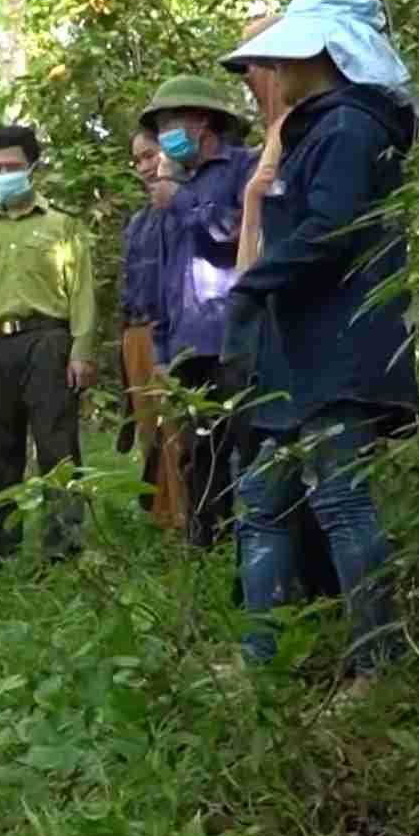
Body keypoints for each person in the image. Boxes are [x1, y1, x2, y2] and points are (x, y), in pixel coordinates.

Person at [220, 0, 419, 681]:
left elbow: (333, 229)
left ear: (326, 53)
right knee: (262, 506)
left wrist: (254, 283)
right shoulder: (321, 128)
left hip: (339, 353)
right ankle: (261, 660)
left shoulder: (350, 129)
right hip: (298, 354)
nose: (273, 69)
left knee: (342, 502)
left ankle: (377, 668)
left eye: (286, 54)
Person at [0, 124, 98, 567]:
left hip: (48, 342)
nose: (4, 175)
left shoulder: (61, 226)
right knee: (1, 453)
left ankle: (64, 552)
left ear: (33, 168)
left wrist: (81, 351)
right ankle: (3, 556)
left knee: (57, 449)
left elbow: (82, 293)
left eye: (13, 167)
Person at [140, 75, 261, 550]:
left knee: (247, 447)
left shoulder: (244, 167)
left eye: (170, 122)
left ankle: (253, 554)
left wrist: (181, 201)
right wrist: (161, 348)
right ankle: (206, 552)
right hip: (187, 348)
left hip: (234, 338)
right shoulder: (172, 188)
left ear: (203, 121)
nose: (163, 135)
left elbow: (236, 235)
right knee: (197, 454)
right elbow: (166, 274)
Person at [118, 129, 188, 530]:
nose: (145, 167)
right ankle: (163, 524)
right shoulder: (138, 222)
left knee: (177, 430)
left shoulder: (188, 206)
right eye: (138, 160)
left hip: (176, 332)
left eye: (150, 155)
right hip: (137, 332)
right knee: (150, 432)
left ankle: (189, 525)